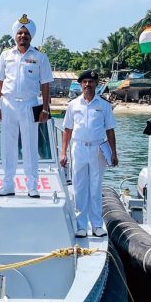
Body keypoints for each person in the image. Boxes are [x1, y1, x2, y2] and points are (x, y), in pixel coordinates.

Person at [0, 14, 53, 198]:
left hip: (30, 103)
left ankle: (32, 186)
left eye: (26, 34)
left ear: (31, 36)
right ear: (15, 36)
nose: (22, 36)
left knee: (30, 146)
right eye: (19, 33)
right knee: (8, 146)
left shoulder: (40, 57)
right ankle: (8, 184)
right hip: (8, 103)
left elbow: (45, 84)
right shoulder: (5, 55)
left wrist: (45, 109)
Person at [60, 70, 118, 237]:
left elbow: (110, 130)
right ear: (80, 85)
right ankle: (80, 226)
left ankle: (97, 225)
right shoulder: (73, 105)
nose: (87, 85)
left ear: (96, 84)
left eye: (91, 82)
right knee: (79, 188)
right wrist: (63, 152)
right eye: (84, 82)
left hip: (98, 149)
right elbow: (67, 130)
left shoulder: (104, 105)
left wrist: (114, 153)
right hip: (78, 148)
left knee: (95, 187)